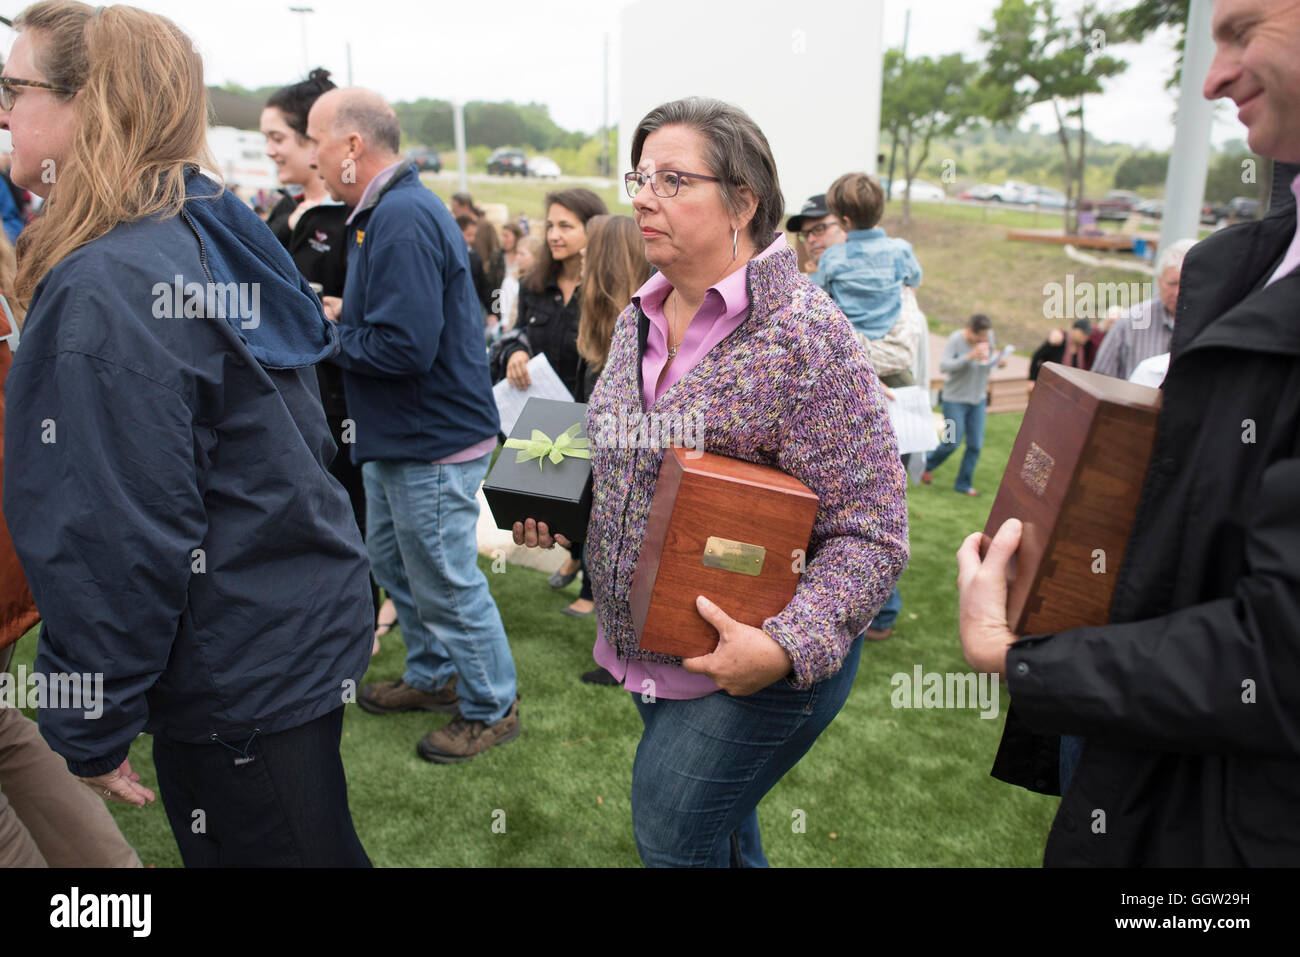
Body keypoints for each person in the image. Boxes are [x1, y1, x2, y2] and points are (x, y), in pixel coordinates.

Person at [1, 0, 372, 867]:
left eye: (15, 87)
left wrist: (88, 713)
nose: (5, 111)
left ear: (95, 104)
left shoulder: (109, 282)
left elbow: (116, 529)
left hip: (236, 659)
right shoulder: (195, 229)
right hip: (281, 628)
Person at [514, 97, 908, 867]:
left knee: (672, 834)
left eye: (672, 178)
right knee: (722, 836)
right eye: (639, 176)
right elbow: (616, 450)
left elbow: (873, 529)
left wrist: (784, 644)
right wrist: (554, 503)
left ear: (743, 201)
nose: (642, 197)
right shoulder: (641, 313)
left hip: (756, 665)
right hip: (650, 643)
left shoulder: (807, 334)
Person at [955, 0, 1300, 866]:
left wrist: (1017, 655)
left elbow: (1279, 653)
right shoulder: (1254, 260)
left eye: (1242, 29)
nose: (1214, 77)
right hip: (1158, 786)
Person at [307, 87, 520, 763]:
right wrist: (344, 320)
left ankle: (492, 704)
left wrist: (323, 335)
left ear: (350, 145)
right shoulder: (390, 211)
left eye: (316, 141)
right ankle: (434, 677)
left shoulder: (400, 214)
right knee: (400, 564)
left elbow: (403, 347)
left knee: (444, 577)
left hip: (431, 438)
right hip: (406, 435)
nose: (313, 158)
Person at [260, 68, 387, 655]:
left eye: (283, 138)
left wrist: (329, 317)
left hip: (342, 406)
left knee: (353, 522)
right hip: (288, 403)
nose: (274, 151)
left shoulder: (353, 222)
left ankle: (358, 628)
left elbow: (379, 331)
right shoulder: (279, 214)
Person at [563, 214, 651, 648]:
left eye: (589, 249)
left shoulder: (639, 332)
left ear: (608, 259)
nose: (579, 254)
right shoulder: (594, 321)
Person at [500, 187, 609, 397]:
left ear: (593, 230)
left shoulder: (607, 293)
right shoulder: (533, 285)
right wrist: (516, 352)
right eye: (550, 226)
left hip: (586, 417)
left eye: (565, 226)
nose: (554, 235)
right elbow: (518, 331)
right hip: (535, 411)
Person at [813, 172, 922, 343]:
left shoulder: (833, 257)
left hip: (850, 340)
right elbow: (915, 280)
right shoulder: (900, 250)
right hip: (889, 335)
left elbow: (819, 296)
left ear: (845, 222)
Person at [923, 314, 1006, 496]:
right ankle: (926, 465)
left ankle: (963, 484)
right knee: (952, 441)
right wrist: (968, 357)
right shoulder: (955, 339)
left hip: (978, 400)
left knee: (975, 445)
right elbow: (944, 366)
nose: (983, 340)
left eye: (985, 336)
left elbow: (987, 362)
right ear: (970, 329)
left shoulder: (987, 337)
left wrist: (998, 362)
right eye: (980, 337)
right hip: (954, 401)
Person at [1090, 238, 1195, 380]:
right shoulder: (1129, 323)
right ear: (1159, 281)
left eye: (1186, 284)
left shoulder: (1214, 326)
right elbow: (1097, 382)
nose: (1178, 292)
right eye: (1172, 283)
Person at [1028, 318, 1094, 390]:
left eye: (1088, 334)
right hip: (1049, 384)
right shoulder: (1058, 341)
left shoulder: (1085, 347)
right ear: (1075, 330)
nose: (1086, 337)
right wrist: (1033, 379)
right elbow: (1037, 357)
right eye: (1084, 333)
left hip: (1070, 389)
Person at [785, 193, 844, 274]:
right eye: (805, 234)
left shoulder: (863, 278)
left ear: (844, 226)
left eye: (819, 229)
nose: (810, 240)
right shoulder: (799, 284)